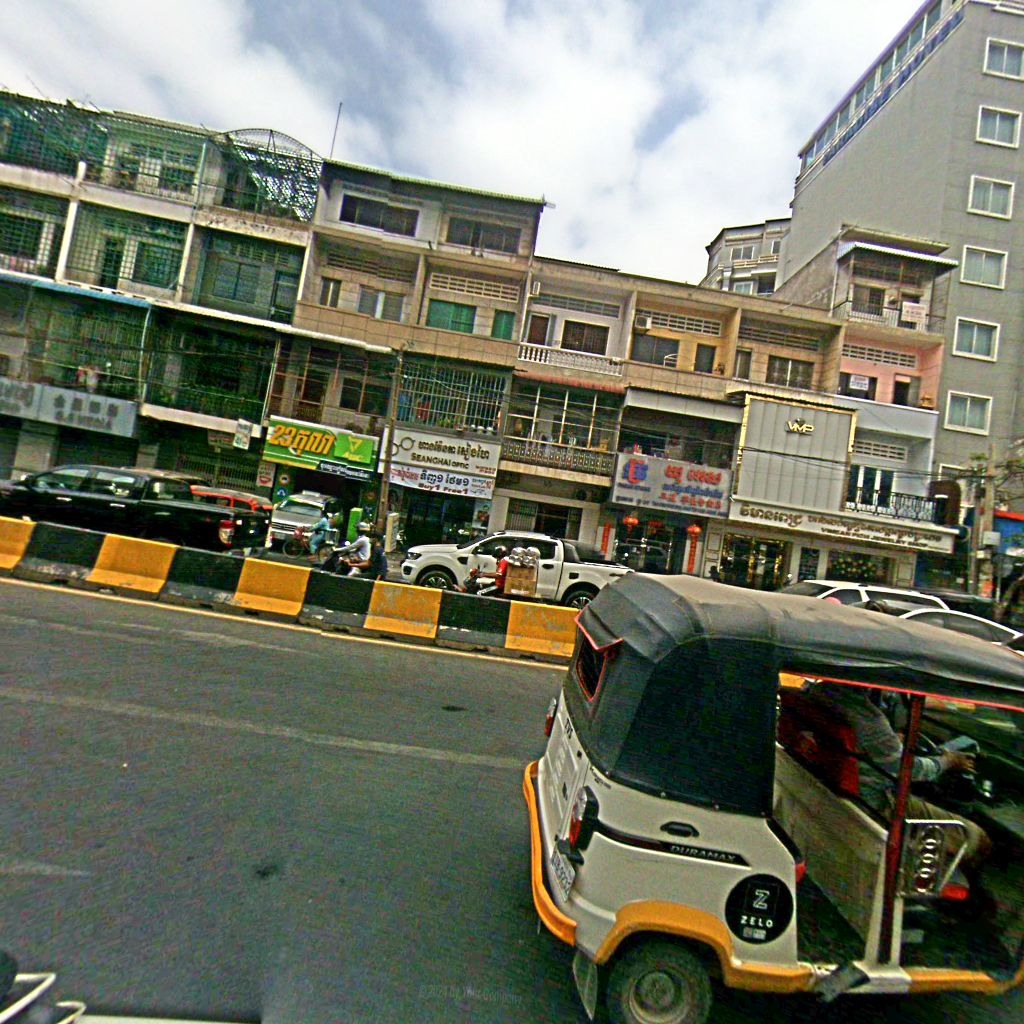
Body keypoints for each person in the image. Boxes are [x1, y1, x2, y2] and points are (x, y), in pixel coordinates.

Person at [814, 682, 991, 876]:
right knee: (977, 839)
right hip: (875, 804)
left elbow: (876, 744)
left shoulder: (823, 692)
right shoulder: (867, 717)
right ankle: (960, 888)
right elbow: (906, 769)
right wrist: (949, 761)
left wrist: (890, 740)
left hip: (839, 786)